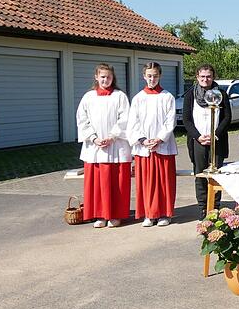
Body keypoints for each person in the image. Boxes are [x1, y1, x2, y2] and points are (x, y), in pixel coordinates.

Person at [76, 64, 132, 228]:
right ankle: (100, 214)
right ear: (96, 77)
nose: (105, 80)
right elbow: (82, 119)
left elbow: (125, 119)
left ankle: (115, 215)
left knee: (116, 183)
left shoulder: (120, 96)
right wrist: (93, 138)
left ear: (113, 78)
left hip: (115, 145)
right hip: (95, 147)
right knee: (97, 183)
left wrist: (112, 136)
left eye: (108, 77)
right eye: (102, 77)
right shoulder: (88, 97)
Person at [128, 62, 179, 227]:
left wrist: (158, 139)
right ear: (144, 76)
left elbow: (170, 121)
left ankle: (165, 213)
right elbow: (132, 123)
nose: (152, 79)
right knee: (146, 183)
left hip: (162, 146)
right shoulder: (138, 98)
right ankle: (149, 214)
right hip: (144, 148)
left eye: (155, 76)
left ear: (160, 76)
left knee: (164, 182)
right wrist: (142, 140)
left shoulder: (167, 97)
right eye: (149, 76)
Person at [183, 64, 231, 220]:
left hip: (216, 140)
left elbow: (227, 117)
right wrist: (198, 136)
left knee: (216, 175)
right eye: (202, 76)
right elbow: (187, 119)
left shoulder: (221, 94)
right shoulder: (190, 95)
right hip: (198, 141)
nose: (205, 79)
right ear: (197, 77)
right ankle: (203, 208)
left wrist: (215, 134)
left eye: (208, 76)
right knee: (201, 174)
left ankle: (215, 208)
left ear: (213, 77)